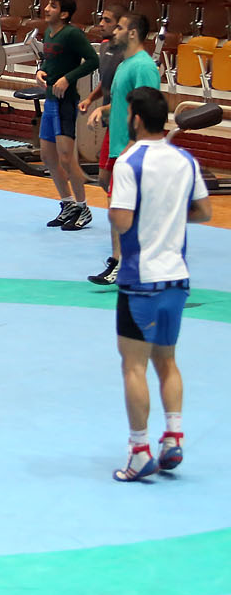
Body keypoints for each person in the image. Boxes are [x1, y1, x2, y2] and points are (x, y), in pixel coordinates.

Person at [106, 86, 211, 482]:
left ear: (136, 119)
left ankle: (139, 451)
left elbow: (122, 221)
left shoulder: (129, 162)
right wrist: (169, 213)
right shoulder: (185, 159)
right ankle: (173, 438)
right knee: (167, 362)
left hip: (141, 281)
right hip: (176, 279)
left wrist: (129, 209)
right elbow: (204, 211)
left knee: (133, 366)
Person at [87, 12, 163, 285]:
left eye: (119, 27)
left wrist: (133, 146)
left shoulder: (143, 67)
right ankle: (125, 258)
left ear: (132, 33)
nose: (113, 31)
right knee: (109, 191)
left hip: (131, 145)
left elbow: (148, 109)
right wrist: (104, 110)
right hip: (117, 139)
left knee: (122, 206)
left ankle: (122, 262)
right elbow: (125, 103)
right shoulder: (125, 63)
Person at [35, 0, 100, 231]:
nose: (46, 8)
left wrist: (67, 79)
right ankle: (68, 203)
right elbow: (49, 60)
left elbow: (93, 61)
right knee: (47, 156)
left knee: (66, 157)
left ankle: (83, 207)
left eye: (52, 6)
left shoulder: (73, 34)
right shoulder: (49, 33)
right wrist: (40, 71)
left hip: (66, 102)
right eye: (47, 4)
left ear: (64, 14)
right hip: (51, 101)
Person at [79, 7, 123, 274]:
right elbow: (106, 83)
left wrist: (104, 109)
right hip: (111, 127)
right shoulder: (105, 48)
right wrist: (91, 98)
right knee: (105, 181)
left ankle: (119, 257)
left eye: (108, 20)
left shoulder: (129, 59)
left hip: (124, 130)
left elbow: (128, 98)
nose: (101, 23)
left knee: (115, 193)